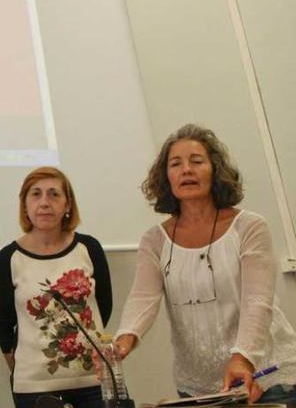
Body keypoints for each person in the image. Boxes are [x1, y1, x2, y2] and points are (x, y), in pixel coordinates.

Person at [115, 124, 296, 405]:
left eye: (196, 161)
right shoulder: (154, 240)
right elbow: (143, 299)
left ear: (216, 170)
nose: (186, 169)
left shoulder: (249, 227)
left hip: (264, 377)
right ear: (167, 178)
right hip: (198, 387)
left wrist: (243, 358)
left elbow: (258, 302)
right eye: (176, 164)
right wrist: (121, 343)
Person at [0, 166, 112, 408]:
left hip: (95, 380)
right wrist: (15, 359)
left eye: (54, 194)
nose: (44, 202)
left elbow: (104, 305)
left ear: (68, 205)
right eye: (35, 194)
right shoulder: (9, 257)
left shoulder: (89, 248)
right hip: (35, 387)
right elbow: (0, 318)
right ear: (24, 205)